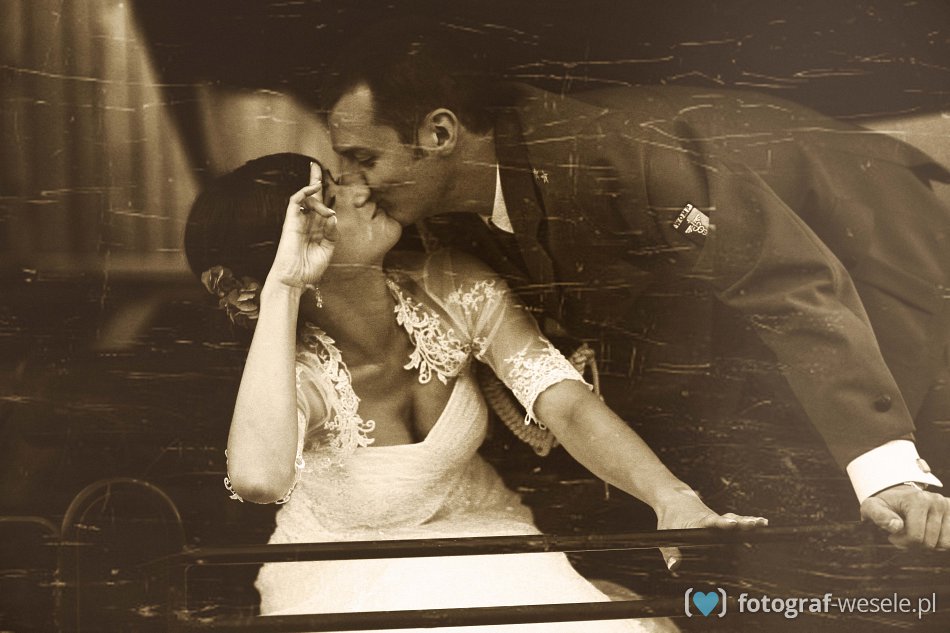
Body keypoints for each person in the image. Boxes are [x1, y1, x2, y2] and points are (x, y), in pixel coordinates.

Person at [320, 19, 950, 550]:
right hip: (761, 317)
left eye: (364, 159)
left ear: (439, 134)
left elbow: (782, 279)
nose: (350, 183)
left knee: (898, 504)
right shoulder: (442, 217)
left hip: (877, 249)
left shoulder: (614, 155)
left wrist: (884, 466)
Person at [184, 153, 767, 631]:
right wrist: (285, 285)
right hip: (348, 575)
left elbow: (564, 402)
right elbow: (259, 481)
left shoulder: (447, 283)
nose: (362, 190)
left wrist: (670, 498)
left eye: (345, 179)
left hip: (493, 540)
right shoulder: (300, 373)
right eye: (334, 198)